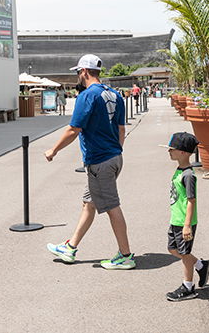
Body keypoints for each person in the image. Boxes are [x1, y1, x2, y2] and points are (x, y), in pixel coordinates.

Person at [45, 54, 135, 270]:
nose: (77, 75)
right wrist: (116, 150)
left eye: (78, 72)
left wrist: (53, 149)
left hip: (100, 161)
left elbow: (74, 129)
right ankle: (70, 247)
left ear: (84, 72)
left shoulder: (87, 96)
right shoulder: (115, 94)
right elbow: (121, 129)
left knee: (112, 207)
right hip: (113, 157)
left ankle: (125, 255)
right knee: (89, 203)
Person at [162, 132, 209, 301]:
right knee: (173, 249)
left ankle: (188, 287)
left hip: (184, 222)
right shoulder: (179, 170)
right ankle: (200, 265)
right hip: (176, 219)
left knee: (184, 254)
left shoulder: (189, 175)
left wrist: (187, 225)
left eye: (172, 149)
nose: (169, 151)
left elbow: (191, 201)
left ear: (183, 152)